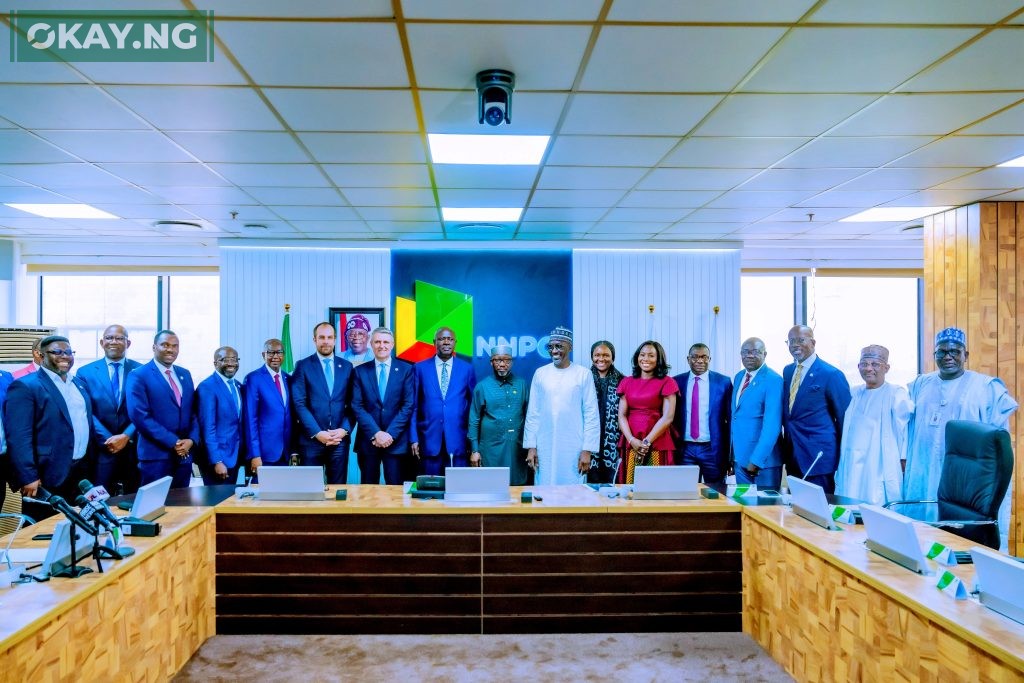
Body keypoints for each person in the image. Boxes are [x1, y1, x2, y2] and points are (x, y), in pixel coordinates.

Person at [905, 327, 1017, 546]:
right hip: (926, 469)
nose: (948, 356)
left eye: (955, 352)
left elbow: (998, 441)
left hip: (967, 477)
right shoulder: (920, 384)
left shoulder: (987, 388)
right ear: (934, 355)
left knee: (961, 537)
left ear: (966, 356)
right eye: (942, 351)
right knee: (923, 531)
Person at [6, 335, 94, 521]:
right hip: (46, 475)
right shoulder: (25, 385)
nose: (65, 356)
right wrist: (27, 475)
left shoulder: (79, 384)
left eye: (69, 352)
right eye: (57, 352)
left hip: (79, 471)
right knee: (41, 532)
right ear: (41, 356)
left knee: (76, 528)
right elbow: (19, 436)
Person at [835, 345, 913, 506]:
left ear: (887, 368)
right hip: (851, 462)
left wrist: (903, 459)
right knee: (849, 500)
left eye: (875, 364)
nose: (869, 368)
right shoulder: (853, 393)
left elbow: (906, 430)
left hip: (879, 462)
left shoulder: (896, 393)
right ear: (858, 367)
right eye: (864, 364)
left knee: (877, 505)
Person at [524, 326, 599, 486]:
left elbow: (591, 414)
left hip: (574, 446)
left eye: (559, 346)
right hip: (544, 445)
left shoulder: (583, 374)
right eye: (550, 347)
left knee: (573, 493)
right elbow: (533, 414)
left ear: (570, 347)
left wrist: (587, 450)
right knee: (544, 489)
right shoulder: (540, 373)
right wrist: (531, 447)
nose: (554, 351)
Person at [781, 325, 851, 494]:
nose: (795, 345)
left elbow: (845, 419)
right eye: (791, 341)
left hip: (819, 456)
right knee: (796, 509)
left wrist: (843, 457)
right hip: (793, 453)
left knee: (820, 512)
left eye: (800, 340)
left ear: (813, 342)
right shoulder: (788, 371)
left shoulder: (831, 374)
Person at [125, 330, 198, 488]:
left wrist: (191, 440)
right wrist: (174, 442)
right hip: (155, 457)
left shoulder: (184, 374)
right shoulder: (139, 375)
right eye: (165, 345)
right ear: (154, 347)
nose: (170, 349)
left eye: (174, 346)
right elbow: (140, 416)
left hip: (184, 456)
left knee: (183, 508)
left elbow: (193, 411)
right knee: (154, 509)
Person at [75, 324, 142, 495]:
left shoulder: (141, 371)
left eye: (120, 338)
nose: (114, 341)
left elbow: (144, 409)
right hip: (101, 449)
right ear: (101, 342)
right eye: (109, 338)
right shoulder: (85, 372)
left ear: (128, 343)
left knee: (134, 500)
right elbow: (86, 410)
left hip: (133, 448)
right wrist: (109, 439)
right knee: (101, 501)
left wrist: (126, 436)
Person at [291, 322, 355, 484]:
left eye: (329, 337)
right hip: (311, 441)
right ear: (315, 340)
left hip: (339, 440)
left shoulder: (347, 367)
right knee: (311, 491)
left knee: (338, 491)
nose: (325, 341)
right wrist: (318, 433)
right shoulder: (303, 366)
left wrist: (344, 430)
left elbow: (353, 403)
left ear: (334, 340)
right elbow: (299, 403)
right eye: (321, 337)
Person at [351, 327, 415, 484]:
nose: (382, 346)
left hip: (396, 442)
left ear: (392, 344)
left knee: (396, 491)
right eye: (377, 342)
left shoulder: (406, 370)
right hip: (368, 441)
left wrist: (389, 434)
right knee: (368, 490)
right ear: (371, 344)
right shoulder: (359, 372)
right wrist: (376, 433)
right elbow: (357, 406)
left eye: (386, 342)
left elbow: (408, 405)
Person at [412, 327, 476, 474]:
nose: (446, 342)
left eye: (450, 339)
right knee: (429, 491)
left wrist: (472, 441)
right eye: (442, 339)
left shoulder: (467, 369)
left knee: (458, 490)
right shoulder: (420, 368)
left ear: (455, 343)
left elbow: (473, 407)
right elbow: (414, 406)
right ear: (434, 342)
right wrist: (414, 438)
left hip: (458, 440)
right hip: (428, 440)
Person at [616, 341, 678, 484]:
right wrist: (632, 440)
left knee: (655, 485)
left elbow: (668, 417)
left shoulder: (667, 382)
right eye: (642, 355)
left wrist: (646, 442)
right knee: (631, 485)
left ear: (659, 359)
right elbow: (622, 415)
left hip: (657, 440)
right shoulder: (626, 382)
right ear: (637, 357)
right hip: (631, 440)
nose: (646, 359)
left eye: (651, 355)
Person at [468, 344, 530, 485]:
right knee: (491, 487)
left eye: (507, 360)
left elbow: (529, 418)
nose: (502, 364)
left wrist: (532, 447)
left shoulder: (521, 384)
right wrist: (474, 451)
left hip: (516, 449)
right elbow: (474, 420)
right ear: (491, 362)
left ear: (512, 362)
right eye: (498, 360)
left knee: (516, 487)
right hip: (490, 450)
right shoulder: (483, 386)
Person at [673, 343, 732, 486]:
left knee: (716, 493)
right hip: (685, 448)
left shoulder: (723, 382)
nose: (700, 360)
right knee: (684, 491)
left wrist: (730, 455)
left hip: (712, 448)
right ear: (688, 359)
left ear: (710, 359)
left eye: (704, 357)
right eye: (695, 357)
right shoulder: (676, 381)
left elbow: (730, 420)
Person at [730, 337, 783, 491]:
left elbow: (772, 426)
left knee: (766, 510)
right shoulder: (739, 377)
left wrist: (757, 460)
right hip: (740, 459)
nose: (750, 356)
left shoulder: (773, 380)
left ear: (765, 354)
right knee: (744, 508)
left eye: (755, 352)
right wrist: (733, 457)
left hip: (763, 462)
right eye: (745, 352)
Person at [243, 338, 293, 477]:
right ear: (263, 355)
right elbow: (250, 419)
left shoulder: (287, 378)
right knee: (261, 496)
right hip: (263, 454)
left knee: (282, 495)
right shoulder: (254, 378)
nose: (275, 356)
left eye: (279, 352)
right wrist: (255, 454)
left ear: (284, 355)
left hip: (284, 452)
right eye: (270, 352)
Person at [196, 346, 245, 485]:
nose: (231, 363)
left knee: (230, 502)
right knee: (216, 503)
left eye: (234, 359)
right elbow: (207, 428)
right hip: (217, 459)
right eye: (225, 359)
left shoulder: (238, 386)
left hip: (234, 456)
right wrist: (217, 461)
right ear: (215, 363)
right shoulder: (207, 387)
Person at [588, 340, 625, 484]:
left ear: (613, 357)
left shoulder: (623, 380)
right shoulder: (584, 378)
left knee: (612, 484)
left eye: (606, 355)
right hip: (590, 439)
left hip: (614, 441)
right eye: (597, 355)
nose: (601, 359)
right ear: (592, 357)